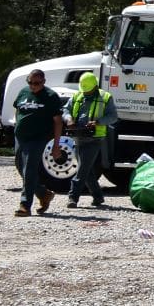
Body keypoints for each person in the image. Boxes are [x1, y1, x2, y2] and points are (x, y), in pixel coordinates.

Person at [11, 69, 65, 217]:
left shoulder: (50, 96)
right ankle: (43, 194)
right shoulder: (23, 92)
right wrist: (17, 126)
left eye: (37, 83)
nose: (33, 86)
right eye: (30, 82)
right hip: (22, 137)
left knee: (29, 169)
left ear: (43, 82)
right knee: (22, 168)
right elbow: (18, 110)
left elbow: (58, 122)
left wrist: (56, 146)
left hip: (38, 138)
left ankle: (25, 205)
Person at [64, 72, 118, 208]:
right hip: (78, 137)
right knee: (87, 169)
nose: (86, 93)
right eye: (84, 91)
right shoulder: (77, 95)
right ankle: (98, 197)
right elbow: (65, 109)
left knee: (82, 169)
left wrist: (98, 122)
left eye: (89, 91)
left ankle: (73, 197)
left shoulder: (105, 97)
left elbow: (113, 116)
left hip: (95, 138)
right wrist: (68, 119)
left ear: (95, 87)